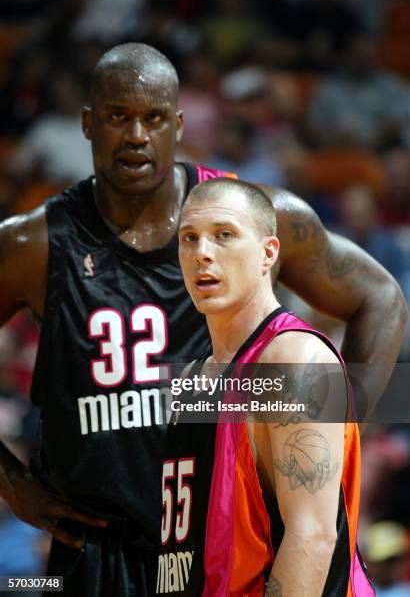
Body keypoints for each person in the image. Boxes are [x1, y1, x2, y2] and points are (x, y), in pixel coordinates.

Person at [0, 42, 405, 595]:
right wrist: (11, 481)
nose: (137, 135)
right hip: (103, 548)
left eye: (154, 118)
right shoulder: (32, 243)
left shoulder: (247, 215)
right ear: (88, 124)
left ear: (180, 124)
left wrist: (327, 430)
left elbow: (381, 297)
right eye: (118, 117)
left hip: (236, 538)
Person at [157, 177, 374, 595]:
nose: (202, 253)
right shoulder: (191, 377)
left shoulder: (294, 360)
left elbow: (312, 537)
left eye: (224, 236)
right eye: (189, 238)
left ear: (268, 252)